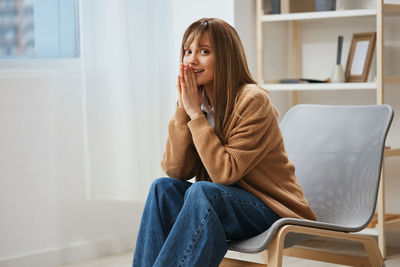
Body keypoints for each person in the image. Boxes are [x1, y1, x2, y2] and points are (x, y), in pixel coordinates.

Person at [132, 18, 316, 267]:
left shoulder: (254, 101)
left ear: (226, 57)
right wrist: (183, 112)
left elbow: (224, 174)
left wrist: (196, 117)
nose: (191, 60)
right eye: (188, 51)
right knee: (162, 189)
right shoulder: (197, 102)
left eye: (204, 51)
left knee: (204, 192)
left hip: (271, 209)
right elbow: (176, 171)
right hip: (221, 204)